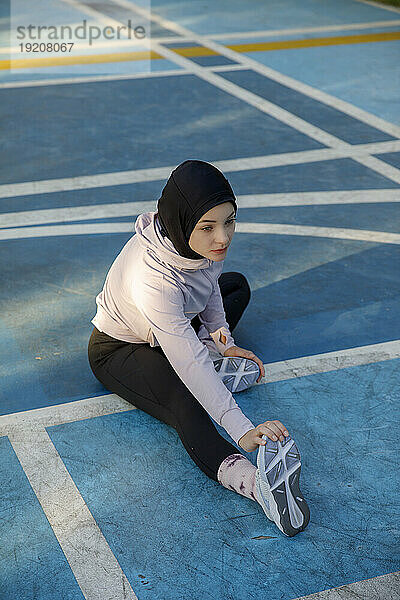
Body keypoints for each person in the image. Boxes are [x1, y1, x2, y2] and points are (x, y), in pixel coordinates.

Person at [88, 159, 309, 537]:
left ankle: (211, 361)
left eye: (230, 221)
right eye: (208, 227)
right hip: (119, 350)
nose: (222, 237)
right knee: (185, 401)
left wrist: (222, 339)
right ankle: (257, 486)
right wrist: (242, 429)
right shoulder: (152, 280)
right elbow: (189, 362)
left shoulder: (196, 243)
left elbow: (207, 287)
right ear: (182, 222)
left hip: (169, 331)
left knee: (236, 286)